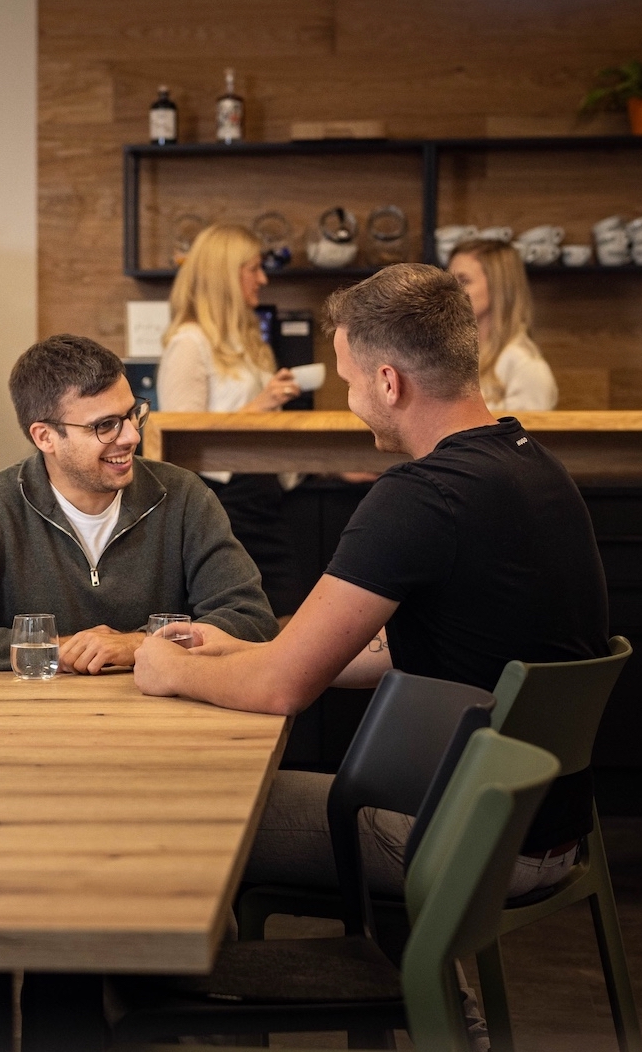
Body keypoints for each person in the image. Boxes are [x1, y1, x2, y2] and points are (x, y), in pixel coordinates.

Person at [134, 261, 609, 902]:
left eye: (348, 382)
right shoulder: (534, 467)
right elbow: (410, 648)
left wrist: (164, 668)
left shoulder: (421, 496)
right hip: (543, 827)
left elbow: (281, 691)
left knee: (185, 812)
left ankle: (186, 998)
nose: (350, 400)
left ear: (388, 382)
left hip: (464, 839)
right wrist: (248, 650)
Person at [0, 333, 278, 674]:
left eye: (132, 415)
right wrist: (57, 648)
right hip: (28, 729)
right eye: (104, 426)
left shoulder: (184, 496)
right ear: (45, 437)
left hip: (160, 723)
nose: (130, 437)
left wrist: (140, 644)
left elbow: (251, 620)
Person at [158, 224, 307, 615]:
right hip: (224, 504)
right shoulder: (189, 344)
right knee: (246, 616)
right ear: (225, 274)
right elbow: (178, 442)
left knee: (285, 613)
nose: (263, 279)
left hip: (265, 496)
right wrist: (260, 404)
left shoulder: (251, 344)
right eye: (253, 268)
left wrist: (339, 468)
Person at [446, 238, 558, 413]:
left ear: (498, 287)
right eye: (449, 281)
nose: (449, 292)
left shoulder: (525, 366)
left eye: (463, 280)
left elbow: (523, 439)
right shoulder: (449, 357)